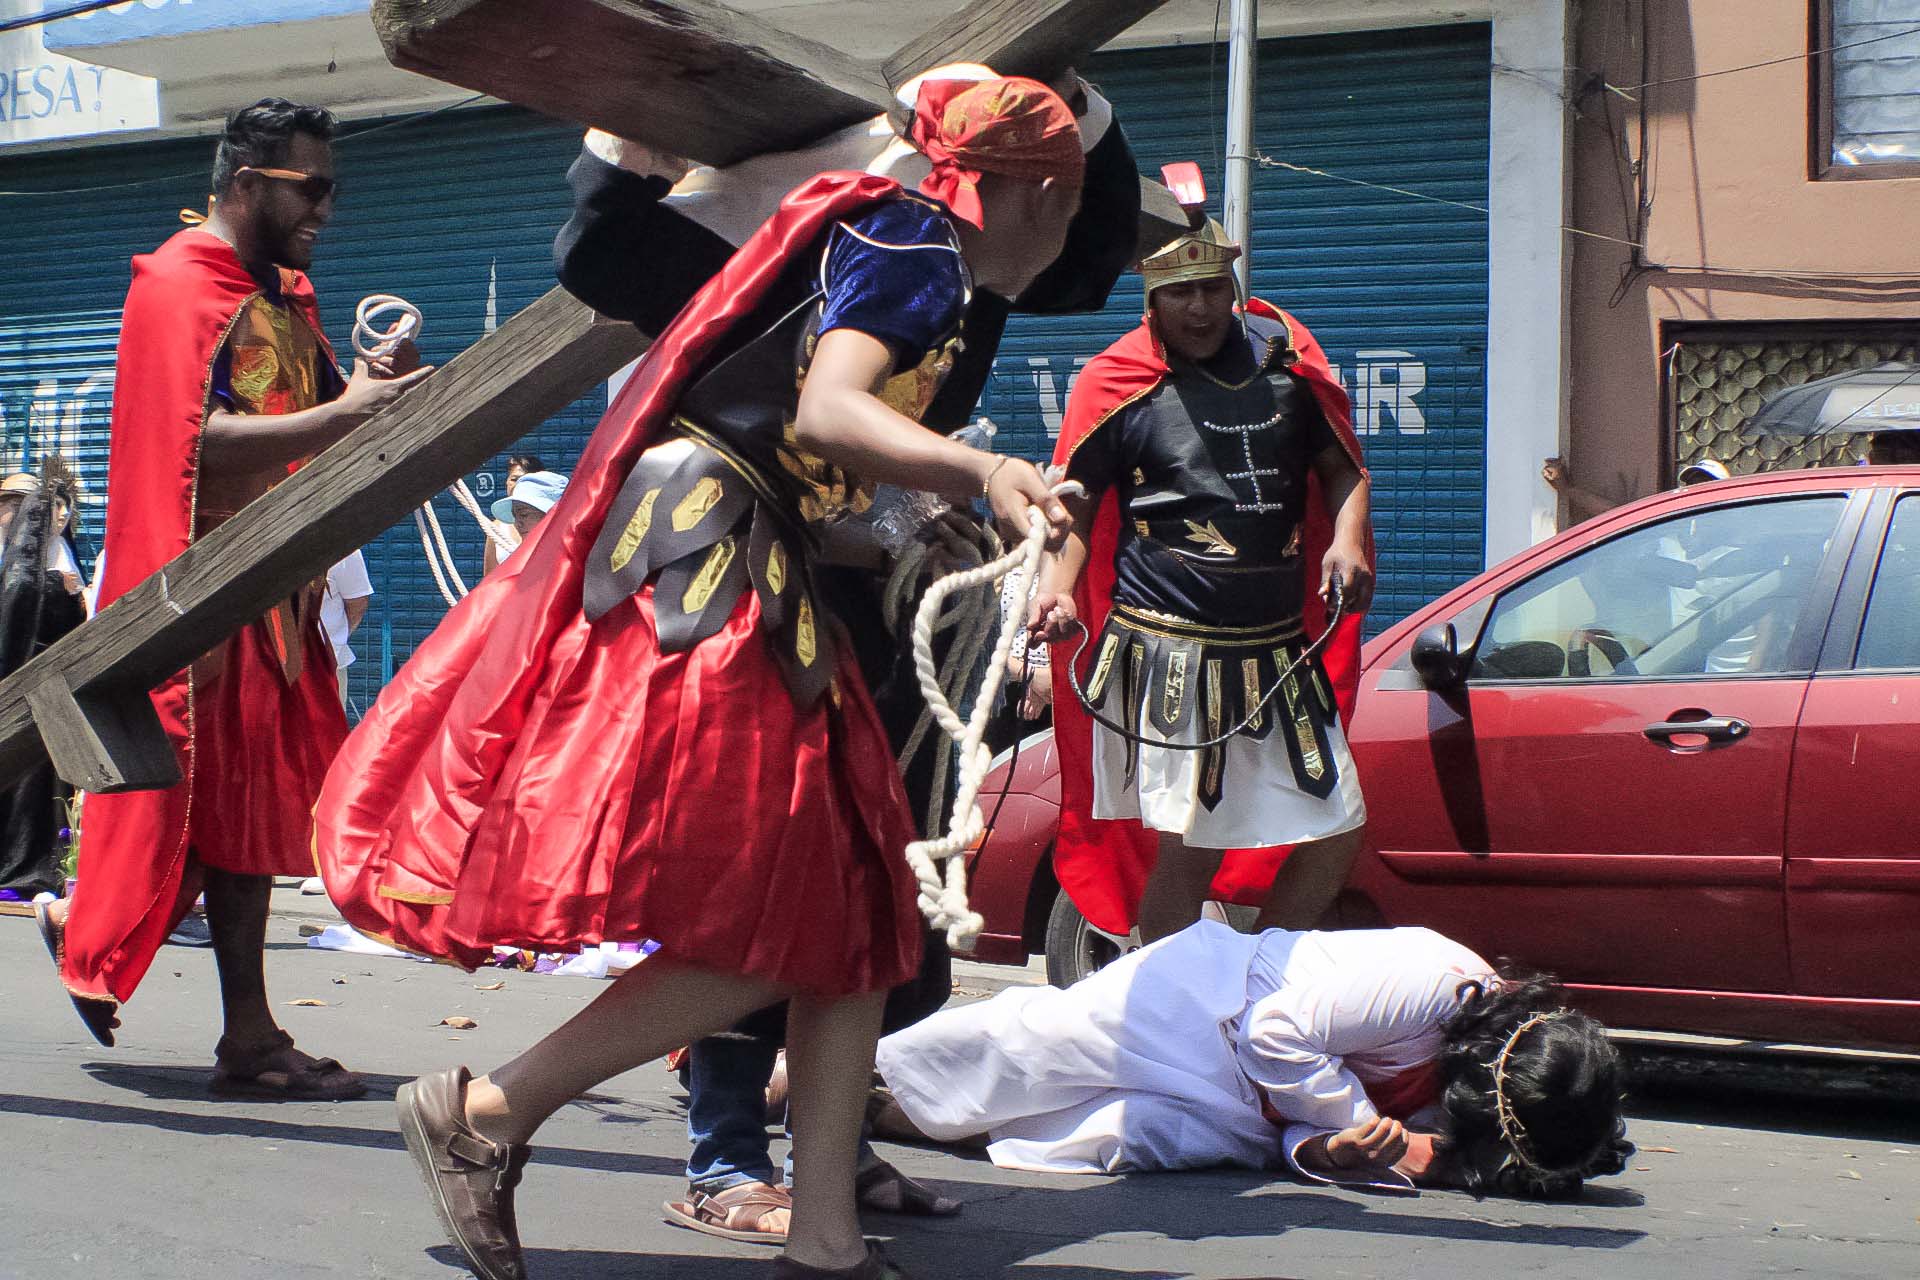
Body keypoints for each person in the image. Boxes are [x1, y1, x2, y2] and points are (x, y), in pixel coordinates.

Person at [313, 72, 1087, 1280]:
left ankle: (826, 1236)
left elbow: (790, 428)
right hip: (715, 563)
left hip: (740, 547)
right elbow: (830, 413)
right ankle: (488, 1112)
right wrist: (978, 478)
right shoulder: (917, 243)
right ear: (1036, 187)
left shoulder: (884, 232)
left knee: (862, 907)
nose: (1072, 237)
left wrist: (937, 516)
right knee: (791, 912)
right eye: (1071, 202)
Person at [553, 63, 1142, 1245]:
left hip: (859, 596)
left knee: (871, 902)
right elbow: (608, 257)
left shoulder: (951, 258)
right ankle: (694, 1146)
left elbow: (1085, 254)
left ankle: (828, 1177)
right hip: (752, 595)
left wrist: (1072, 91)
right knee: (765, 894)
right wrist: (625, 142)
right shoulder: (856, 243)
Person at [32, 99, 430, 1093]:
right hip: (197, 590)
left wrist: (370, 387)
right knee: (183, 804)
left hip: (270, 593)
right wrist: (344, 410)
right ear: (245, 184)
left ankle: (235, 1025)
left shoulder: (284, 292)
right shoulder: (179, 285)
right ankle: (169, 978)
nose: (328, 209)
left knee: (245, 818)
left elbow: (313, 414)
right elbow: (188, 445)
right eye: (312, 188)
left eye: (332, 187)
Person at [1028, 201, 1374, 947]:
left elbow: (1343, 471)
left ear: (1233, 287)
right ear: (1151, 300)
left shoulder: (1287, 365)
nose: (1200, 306)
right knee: (1191, 852)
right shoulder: (1116, 384)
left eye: (1213, 288)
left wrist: (1347, 540)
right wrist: (1056, 589)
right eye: (1180, 292)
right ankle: (1172, 1013)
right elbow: (1076, 515)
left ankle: (1253, 979)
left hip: (1277, 651)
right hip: (1172, 655)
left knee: (1338, 828)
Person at [874, 919, 1633, 1199]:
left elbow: (1316, 1136)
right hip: (1206, 1006)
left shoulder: (1473, 1085)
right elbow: (1275, 1032)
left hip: (1248, 1108)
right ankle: (802, 1080)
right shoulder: (1437, 984)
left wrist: (1339, 1151)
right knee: (1019, 1052)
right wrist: (1365, 1122)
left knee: (1108, 1136)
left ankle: (895, 1121)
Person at [0, 469, 89, 899]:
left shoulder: (57, 558)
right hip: (17, 686)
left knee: (42, 781)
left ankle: (38, 863)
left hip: (48, 688)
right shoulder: (22, 565)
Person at [481, 454, 553, 574]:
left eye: (525, 515)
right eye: (514, 479)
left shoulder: (556, 527)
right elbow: (489, 580)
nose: (518, 485)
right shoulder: (496, 528)